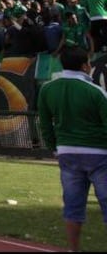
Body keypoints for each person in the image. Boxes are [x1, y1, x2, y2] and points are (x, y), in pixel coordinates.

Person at [36, 47, 107, 252]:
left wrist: (54, 147)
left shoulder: (48, 89)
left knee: (73, 205)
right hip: (98, 153)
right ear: (85, 65)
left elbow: (45, 124)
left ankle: (73, 249)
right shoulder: (95, 91)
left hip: (67, 152)